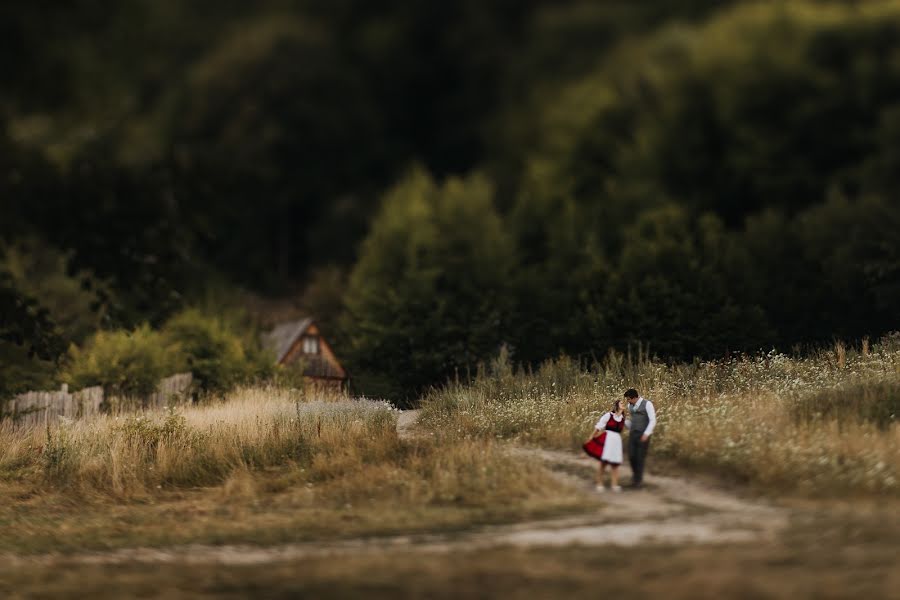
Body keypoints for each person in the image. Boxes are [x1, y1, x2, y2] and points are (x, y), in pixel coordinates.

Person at [583, 399, 627, 492]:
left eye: (624, 403)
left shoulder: (623, 419)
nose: (623, 404)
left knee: (615, 464)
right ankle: (599, 483)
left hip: (617, 441)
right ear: (617, 405)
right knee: (603, 463)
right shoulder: (609, 415)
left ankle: (614, 485)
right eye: (621, 403)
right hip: (608, 439)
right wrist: (591, 437)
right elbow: (599, 426)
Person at [624, 388, 656, 489]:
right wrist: (624, 421)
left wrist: (646, 433)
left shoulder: (647, 404)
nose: (628, 401)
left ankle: (638, 480)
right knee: (632, 456)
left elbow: (652, 420)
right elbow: (633, 422)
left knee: (639, 458)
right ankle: (635, 476)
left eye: (629, 399)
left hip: (643, 434)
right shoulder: (630, 406)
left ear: (635, 398)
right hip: (633, 434)